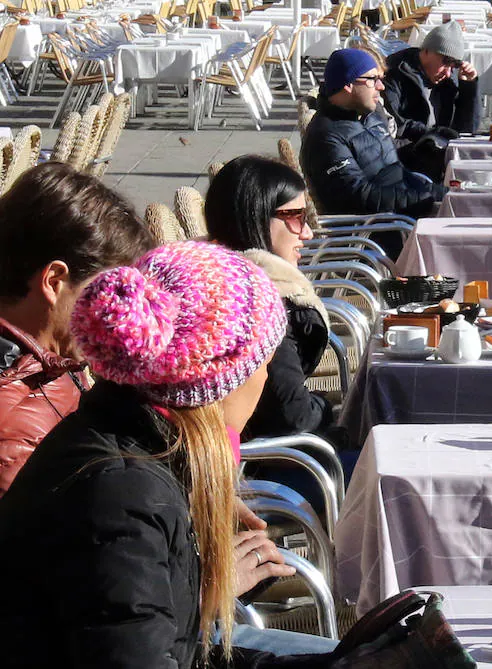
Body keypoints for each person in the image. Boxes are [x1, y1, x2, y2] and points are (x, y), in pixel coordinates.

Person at [0, 241, 337, 666]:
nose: (267, 377)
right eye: (263, 363)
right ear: (220, 382)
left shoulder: (137, 440)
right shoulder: (121, 494)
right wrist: (204, 586)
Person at [0, 162, 155, 497]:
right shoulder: (16, 434)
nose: (121, 316)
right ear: (54, 282)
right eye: (108, 294)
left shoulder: (50, 362)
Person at [205, 155, 341, 444]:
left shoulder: (215, 276)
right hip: (273, 463)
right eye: (296, 217)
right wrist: (328, 406)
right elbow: (293, 418)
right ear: (255, 216)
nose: (307, 232)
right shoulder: (260, 302)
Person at [300, 49, 446, 228]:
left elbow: (397, 172)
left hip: (403, 215)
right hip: (379, 231)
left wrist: (442, 194)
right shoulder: (325, 137)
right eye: (372, 80)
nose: (381, 87)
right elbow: (360, 197)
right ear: (348, 84)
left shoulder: (369, 116)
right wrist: (426, 200)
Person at [382, 20, 480, 144]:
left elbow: (467, 130)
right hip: (408, 148)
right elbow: (395, 123)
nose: (448, 72)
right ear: (426, 51)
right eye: (445, 62)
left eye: (453, 66)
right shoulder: (396, 71)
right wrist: (433, 134)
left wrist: (469, 87)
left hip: (439, 147)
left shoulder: (448, 80)